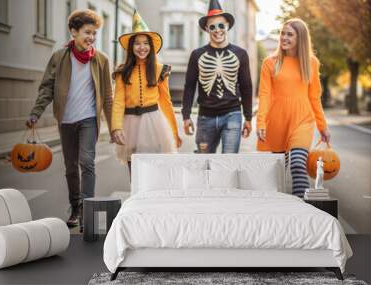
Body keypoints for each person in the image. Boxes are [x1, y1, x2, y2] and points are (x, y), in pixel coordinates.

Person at [27, 9, 113, 227]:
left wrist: (114, 128)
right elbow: (47, 87)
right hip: (65, 120)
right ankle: (75, 207)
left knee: (87, 162)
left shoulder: (101, 60)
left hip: (88, 120)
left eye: (94, 33)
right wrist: (36, 112)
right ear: (73, 32)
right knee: (71, 167)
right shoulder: (59, 57)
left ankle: (87, 209)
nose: (91, 38)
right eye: (87, 32)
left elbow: (109, 96)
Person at [256, 18, 331, 198]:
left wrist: (322, 126)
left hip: (302, 121)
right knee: (276, 176)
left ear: (300, 38)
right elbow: (264, 95)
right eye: (283, 33)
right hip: (277, 123)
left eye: (290, 34)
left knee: (298, 164)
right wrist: (261, 123)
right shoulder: (270, 62)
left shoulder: (311, 63)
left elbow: (314, 97)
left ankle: (302, 210)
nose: (284, 37)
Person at [111, 10, 182, 174]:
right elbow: (118, 101)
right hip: (129, 124)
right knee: (134, 170)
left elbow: (166, 102)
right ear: (131, 47)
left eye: (146, 43)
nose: (142, 47)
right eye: (137, 43)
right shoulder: (123, 72)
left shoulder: (160, 70)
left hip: (154, 123)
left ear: (151, 47)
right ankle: (136, 197)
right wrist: (116, 128)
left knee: (155, 170)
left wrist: (174, 132)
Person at [181, 0, 253, 153]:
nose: (217, 30)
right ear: (207, 29)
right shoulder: (197, 55)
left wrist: (248, 117)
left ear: (227, 26)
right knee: (204, 161)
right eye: (212, 26)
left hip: (232, 115)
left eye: (221, 25)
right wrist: (186, 116)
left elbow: (246, 86)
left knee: (228, 162)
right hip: (205, 116)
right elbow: (189, 86)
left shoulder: (240, 54)